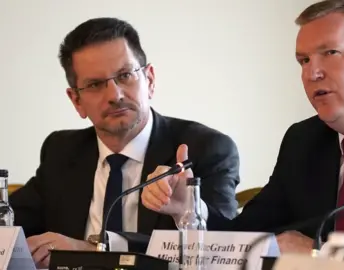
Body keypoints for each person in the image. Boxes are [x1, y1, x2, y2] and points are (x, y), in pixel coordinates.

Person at [140, 0, 344, 254]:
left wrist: (321, 255)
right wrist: (190, 209)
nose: (311, 73)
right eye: (303, 60)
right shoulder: (303, 139)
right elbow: (244, 237)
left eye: (330, 53)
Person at [9, 17, 240, 268]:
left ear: (149, 80)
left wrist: (189, 212)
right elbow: (10, 222)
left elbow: (231, 246)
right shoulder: (62, 151)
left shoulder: (205, 149)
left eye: (125, 75)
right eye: (95, 84)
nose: (114, 95)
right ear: (76, 100)